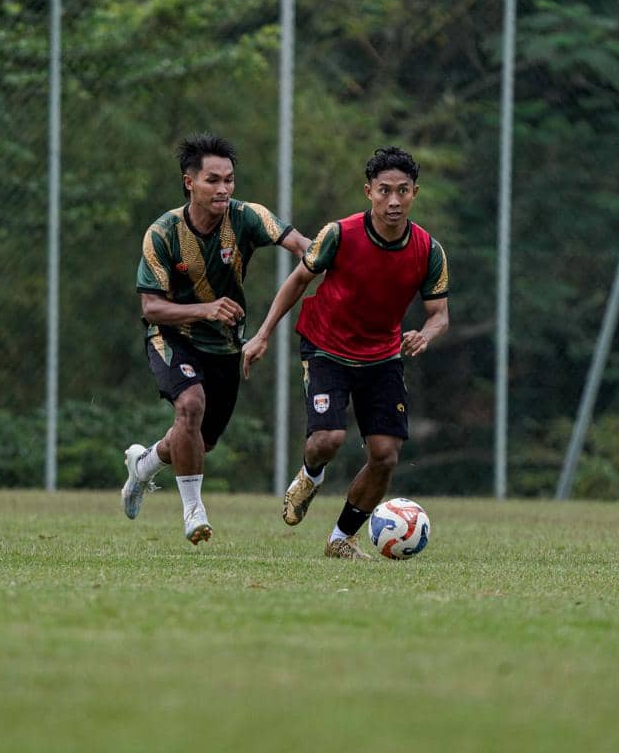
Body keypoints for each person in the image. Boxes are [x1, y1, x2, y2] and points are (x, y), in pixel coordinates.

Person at [242, 146, 449, 560]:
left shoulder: (429, 250)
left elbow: (439, 314)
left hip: (383, 356)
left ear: (415, 193)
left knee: (385, 455)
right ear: (368, 191)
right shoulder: (338, 234)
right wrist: (263, 334)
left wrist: (425, 335)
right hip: (326, 348)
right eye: (384, 190)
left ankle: (341, 537)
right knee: (328, 439)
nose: (394, 200)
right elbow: (298, 280)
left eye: (403, 190)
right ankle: (311, 475)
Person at [121, 133, 310, 545]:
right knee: (190, 405)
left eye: (229, 179)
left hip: (224, 345)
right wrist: (205, 309)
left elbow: (301, 246)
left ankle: (144, 465)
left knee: (198, 441)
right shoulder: (163, 233)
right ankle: (194, 511)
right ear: (190, 182)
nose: (223, 188)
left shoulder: (247, 217)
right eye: (213, 180)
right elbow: (151, 307)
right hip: (172, 336)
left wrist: (326, 254)